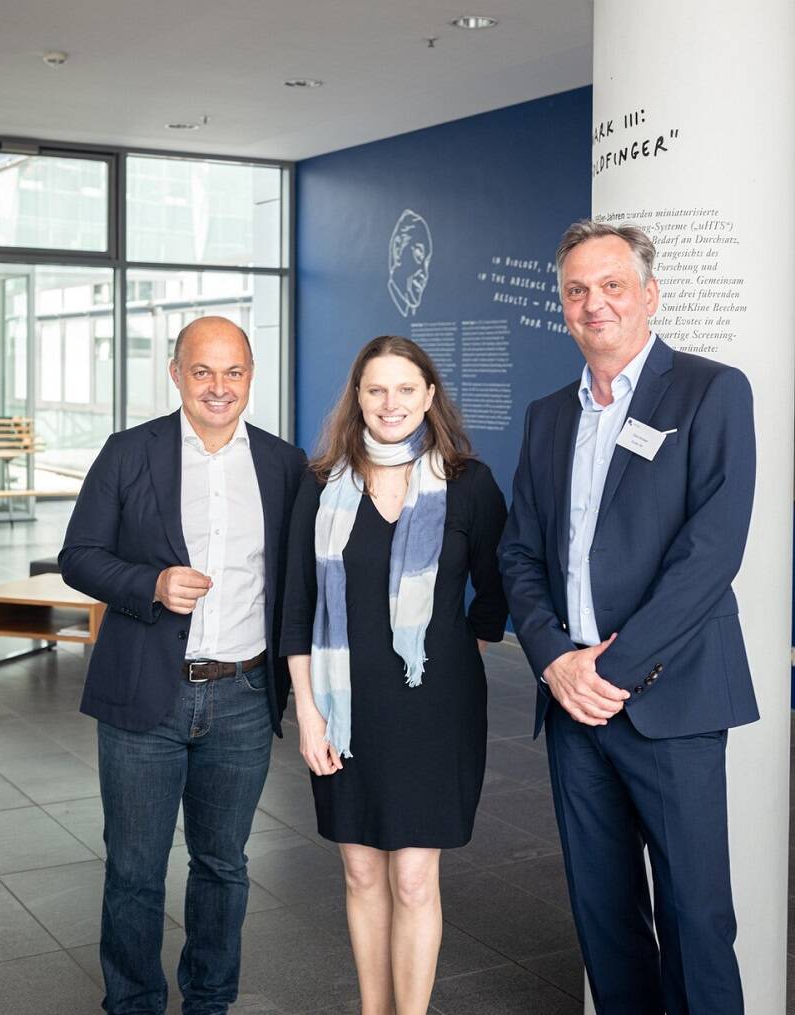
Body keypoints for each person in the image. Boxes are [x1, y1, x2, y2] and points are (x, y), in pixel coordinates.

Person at [498, 220, 758, 1015]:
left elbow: (710, 555)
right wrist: (554, 660)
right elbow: (519, 554)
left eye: (612, 285)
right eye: (576, 290)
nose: (594, 303)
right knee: (604, 917)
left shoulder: (712, 390)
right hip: (574, 702)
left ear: (648, 294)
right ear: (564, 307)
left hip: (669, 699)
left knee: (696, 917)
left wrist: (604, 672)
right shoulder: (549, 417)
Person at [59, 316, 306, 1015]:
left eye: (234, 372)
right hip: (146, 693)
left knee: (223, 864)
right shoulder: (129, 452)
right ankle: (133, 1003)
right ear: (176, 374)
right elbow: (79, 553)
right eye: (203, 371)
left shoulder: (285, 466)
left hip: (242, 694)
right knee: (135, 870)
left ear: (251, 377)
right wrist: (151, 584)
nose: (219, 387)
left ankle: (210, 1001)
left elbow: (300, 580)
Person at [281, 335, 507, 1014]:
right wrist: (309, 715)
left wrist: (455, 650)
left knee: (413, 878)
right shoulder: (320, 485)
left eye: (406, 388)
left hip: (435, 709)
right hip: (344, 707)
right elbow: (297, 608)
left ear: (430, 395)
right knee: (359, 870)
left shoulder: (469, 484)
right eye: (376, 389)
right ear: (357, 398)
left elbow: (498, 591)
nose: (391, 403)